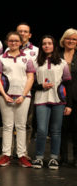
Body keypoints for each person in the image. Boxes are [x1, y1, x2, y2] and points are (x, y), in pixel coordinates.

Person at [0, 32, 35, 167]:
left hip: (23, 96)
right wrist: (4, 95)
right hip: (5, 96)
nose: (13, 43)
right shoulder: (0, 59)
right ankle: (6, 154)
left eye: (16, 41)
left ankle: (22, 155)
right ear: (7, 42)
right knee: (7, 126)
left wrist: (23, 95)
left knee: (21, 126)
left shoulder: (27, 58)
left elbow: (30, 78)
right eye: (11, 41)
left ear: (21, 43)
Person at [31, 35, 72, 170]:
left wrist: (69, 104)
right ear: (41, 46)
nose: (47, 46)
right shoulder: (35, 62)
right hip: (41, 99)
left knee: (56, 131)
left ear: (54, 46)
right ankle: (39, 157)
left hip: (58, 100)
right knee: (42, 130)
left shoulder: (62, 63)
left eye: (49, 43)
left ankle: (54, 158)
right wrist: (41, 86)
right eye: (44, 44)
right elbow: (31, 84)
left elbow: (68, 84)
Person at [59, 28, 77, 166]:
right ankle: (63, 157)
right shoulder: (56, 55)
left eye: (74, 39)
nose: (71, 41)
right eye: (68, 38)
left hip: (76, 96)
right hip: (61, 96)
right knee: (61, 129)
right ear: (63, 40)